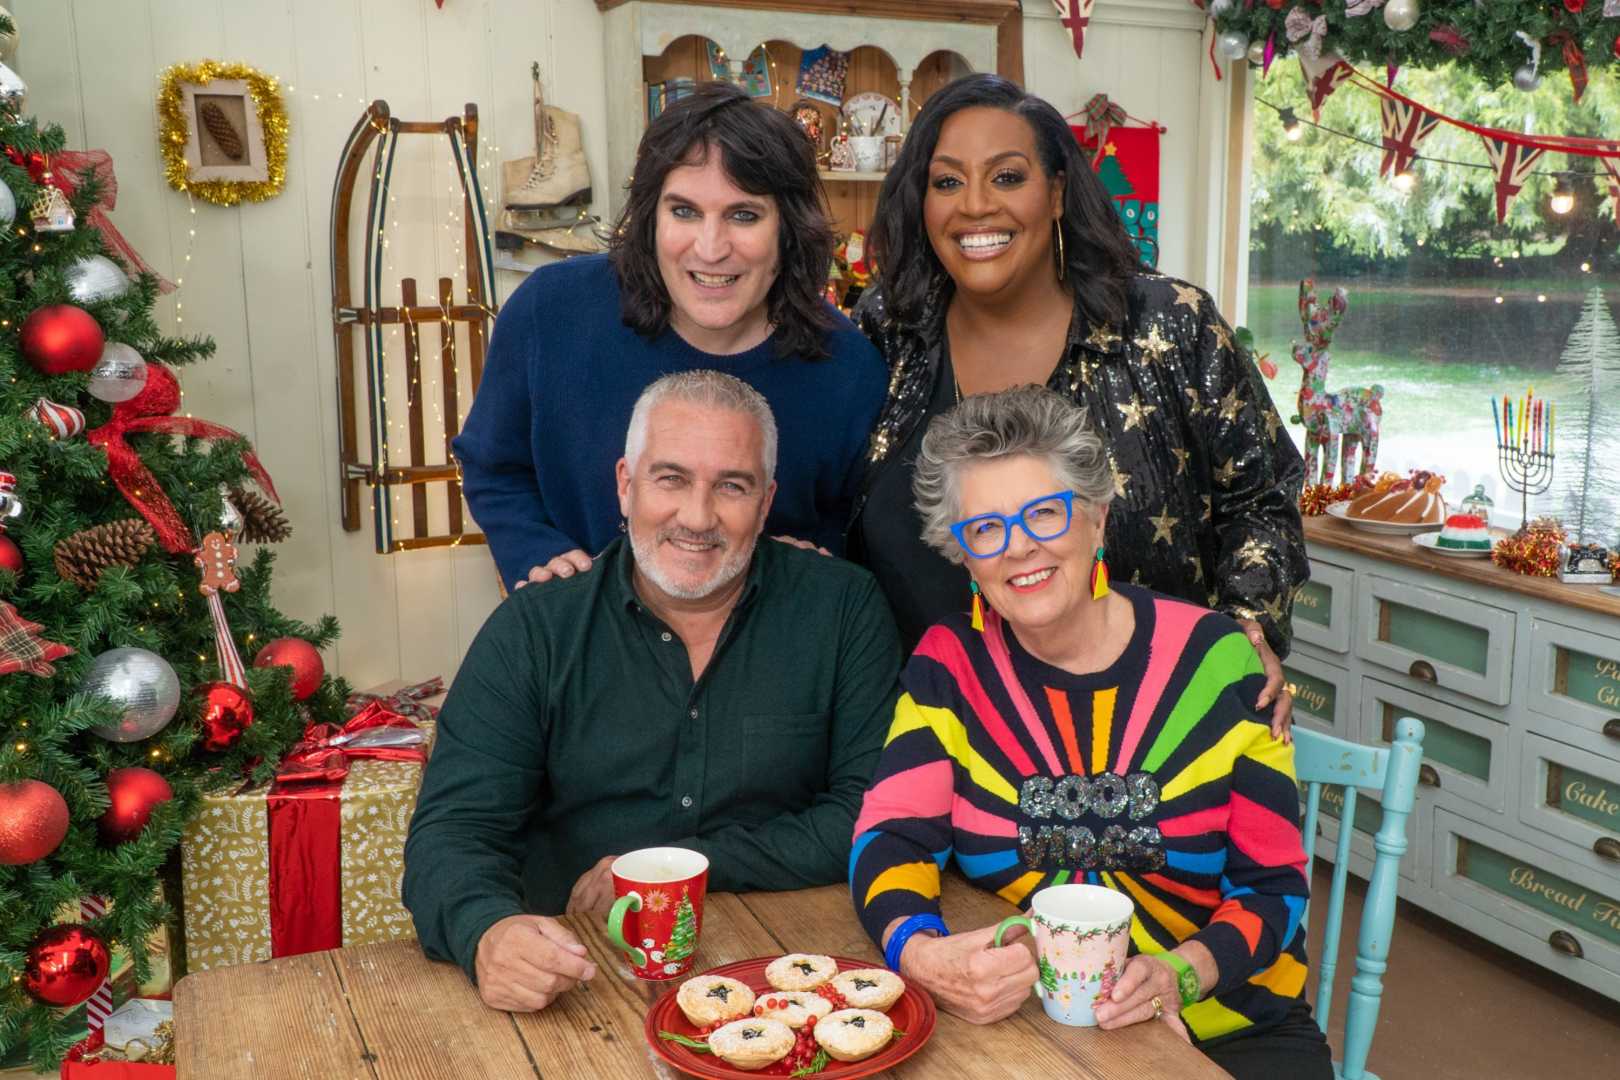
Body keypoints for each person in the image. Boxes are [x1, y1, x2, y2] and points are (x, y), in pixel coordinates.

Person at [849, 387, 1330, 1080]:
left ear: (1097, 521)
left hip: (1229, 1026)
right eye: (984, 528)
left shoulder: (1220, 661)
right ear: (961, 553)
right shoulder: (948, 667)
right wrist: (919, 953)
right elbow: (891, 836)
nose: (1019, 549)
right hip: (1035, 1028)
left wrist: (1179, 976)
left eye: (1044, 514)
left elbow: (1273, 885)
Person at [407, 371, 901, 1013]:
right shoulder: (535, 629)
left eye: (732, 485)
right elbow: (453, 831)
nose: (697, 517)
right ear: (625, 483)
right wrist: (485, 932)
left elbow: (870, 812)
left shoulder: (844, 610)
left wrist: (679, 866)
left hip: (790, 970)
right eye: (671, 478)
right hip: (578, 982)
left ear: (766, 499)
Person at [850, 74, 1304, 736]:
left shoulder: (1167, 326)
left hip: (1152, 738)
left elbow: (1262, 501)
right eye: (946, 182)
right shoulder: (886, 330)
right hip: (933, 738)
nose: (974, 206)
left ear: (1057, 192)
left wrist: (1247, 628)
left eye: (1007, 177)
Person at [456, 81, 886, 591]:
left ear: (788, 230)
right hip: (580, 636)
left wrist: (817, 558)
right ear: (651, 217)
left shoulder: (847, 368)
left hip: (762, 648)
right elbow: (491, 464)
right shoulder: (551, 311)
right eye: (684, 211)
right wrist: (534, 551)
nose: (709, 249)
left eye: (743, 215)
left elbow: (851, 525)